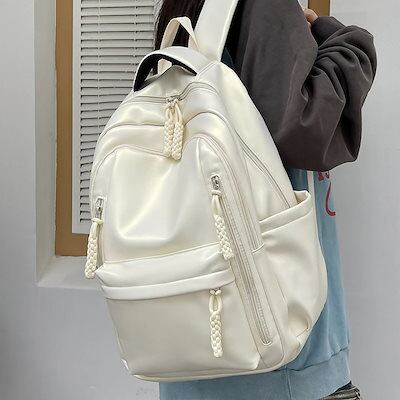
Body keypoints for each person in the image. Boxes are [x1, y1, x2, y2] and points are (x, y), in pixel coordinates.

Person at [155, 0, 377, 399]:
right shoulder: (264, 6)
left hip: (193, 359)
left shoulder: (191, 16)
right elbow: (307, 129)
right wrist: (344, 42)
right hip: (285, 368)